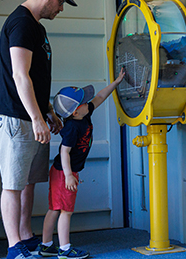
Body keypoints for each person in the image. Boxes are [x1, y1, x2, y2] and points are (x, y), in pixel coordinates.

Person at [0, 0, 78, 259]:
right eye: (61, 1)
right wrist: (37, 118)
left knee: (29, 181)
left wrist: (48, 111)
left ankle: (27, 237)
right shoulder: (21, 23)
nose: (61, 8)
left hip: (33, 116)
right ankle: (14, 247)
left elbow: (37, 77)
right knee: (14, 184)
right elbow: (20, 75)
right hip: (16, 118)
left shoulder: (37, 27)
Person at [37, 68, 125, 259]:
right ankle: (65, 249)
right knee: (65, 212)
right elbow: (64, 151)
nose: (89, 103)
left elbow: (100, 96)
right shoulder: (72, 127)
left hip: (61, 172)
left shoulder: (83, 114)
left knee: (54, 209)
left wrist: (116, 82)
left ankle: (46, 246)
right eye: (85, 101)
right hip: (64, 173)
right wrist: (69, 174)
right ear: (76, 110)